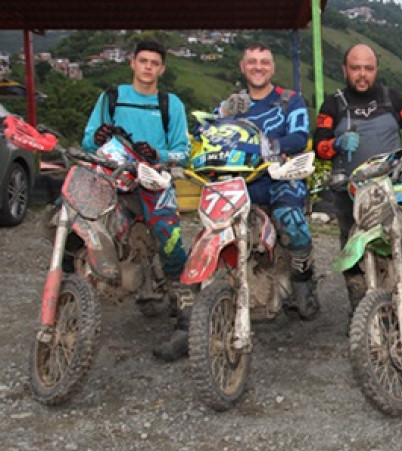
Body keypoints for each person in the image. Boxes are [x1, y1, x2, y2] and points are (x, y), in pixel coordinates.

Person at [313, 43, 402, 315]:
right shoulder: (333, 104)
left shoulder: (394, 99)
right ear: (345, 70)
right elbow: (319, 147)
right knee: (351, 241)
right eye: (355, 68)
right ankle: (358, 307)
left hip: (394, 181)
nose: (362, 74)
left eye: (368, 68)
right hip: (350, 187)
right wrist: (337, 145)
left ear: (376, 70)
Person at [81, 40, 193, 362]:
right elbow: (88, 140)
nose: (148, 67)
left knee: (169, 237)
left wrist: (157, 155)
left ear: (162, 68)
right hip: (113, 177)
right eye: (142, 61)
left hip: (154, 181)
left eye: (154, 62)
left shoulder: (171, 104)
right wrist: (98, 138)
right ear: (132, 63)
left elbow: (182, 152)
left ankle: (185, 306)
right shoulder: (111, 98)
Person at [218, 42, 319, 321]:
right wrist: (225, 113)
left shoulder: (289, 100)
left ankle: (303, 279)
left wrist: (265, 146)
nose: (258, 66)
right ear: (242, 66)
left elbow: (299, 137)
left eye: (264, 61)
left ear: (272, 68)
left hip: (280, 178)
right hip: (240, 181)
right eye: (252, 61)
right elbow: (208, 134)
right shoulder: (232, 104)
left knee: (292, 222)